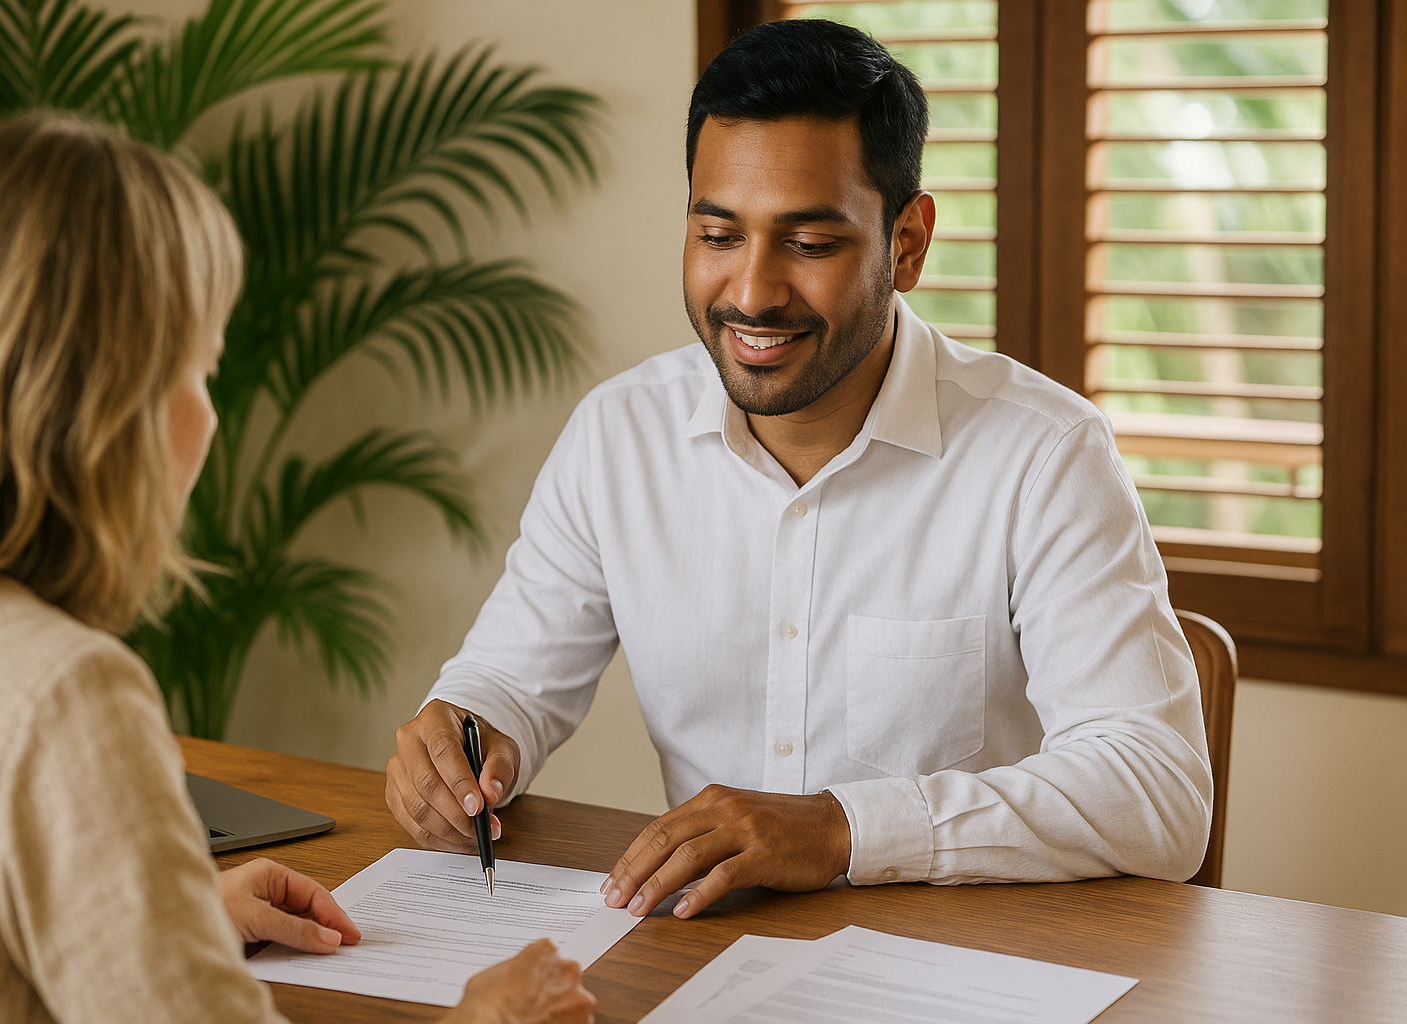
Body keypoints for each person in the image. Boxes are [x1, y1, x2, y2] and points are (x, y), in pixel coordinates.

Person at [384, 18, 1214, 920]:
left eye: (809, 245)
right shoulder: (618, 436)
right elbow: (505, 683)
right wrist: (462, 738)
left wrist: (841, 829)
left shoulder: (1044, 454)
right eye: (717, 235)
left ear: (907, 242)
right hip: (699, 959)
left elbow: (1159, 793)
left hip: (961, 969)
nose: (750, 292)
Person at [0, 113, 595, 1024]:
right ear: (117, 406)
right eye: (201, 371)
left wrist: (168, 929)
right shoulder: (65, 697)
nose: (210, 418)